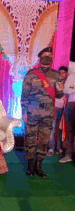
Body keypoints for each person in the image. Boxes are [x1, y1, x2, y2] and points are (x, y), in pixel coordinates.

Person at [21, 46, 64, 178]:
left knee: (43, 140)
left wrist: (60, 90)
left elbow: (58, 96)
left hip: (47, 113)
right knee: (29, 138)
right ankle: (30, 165)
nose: (47, 57)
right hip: (32, 112)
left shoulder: (56, 75)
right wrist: (24, 112)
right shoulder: (31, 74)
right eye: (45, 55)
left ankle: (38, 166)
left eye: (50, 56)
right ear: (39, 58)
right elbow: (24, 95)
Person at [47, 66, 68, 157]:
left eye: (64, 73)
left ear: (66, 74)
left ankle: (59, 148)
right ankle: (51, 148)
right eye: (60, 72)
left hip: (65, 109)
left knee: (61, 129)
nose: (62, 74)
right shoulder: (54, 82)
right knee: (52, 128)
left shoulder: (68, 83)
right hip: (55, 108)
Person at [59, 65, 75, 163]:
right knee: (70, 130)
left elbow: (70, 89)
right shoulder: (72, 76)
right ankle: (68, 154)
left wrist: (72, 89)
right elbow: (66, 90)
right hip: (72, 104)